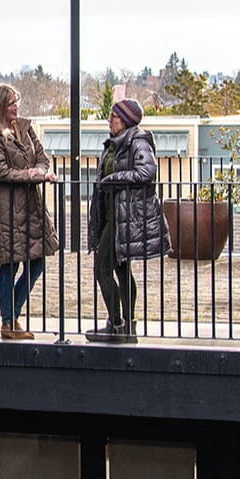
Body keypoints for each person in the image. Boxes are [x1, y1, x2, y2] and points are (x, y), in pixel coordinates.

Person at [0, 84, 59, 339]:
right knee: (9, 264)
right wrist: (32, 174)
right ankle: (8, 322)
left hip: (32, 204)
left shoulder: (24, 127)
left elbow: (42, 158)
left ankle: (13, 314)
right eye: (11, 103)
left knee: (38, 261)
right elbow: (0, 172)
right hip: (7, 206)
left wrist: (38, 171)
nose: (16, 106)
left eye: (16, 101)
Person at [86, 98, 168, 343]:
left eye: (114, 116)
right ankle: (127, 327)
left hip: (126, 216)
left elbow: (147, 172)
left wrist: (113, 178)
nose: (109, 120)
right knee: (121, 268)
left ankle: (116, 324)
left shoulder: (138, 141)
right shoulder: (114, 144)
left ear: (127, 120)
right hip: (112, 213)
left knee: (102, 269)